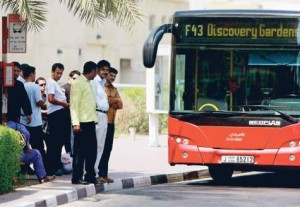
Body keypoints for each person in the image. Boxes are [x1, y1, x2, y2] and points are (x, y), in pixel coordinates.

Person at [70, 61, 98, 184]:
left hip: (90, 122)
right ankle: (76, 177)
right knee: (79, 153)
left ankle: (90, 176)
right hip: (81, 123)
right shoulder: (78, 83)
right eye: (95, 72)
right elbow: (74, 105)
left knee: (92, 151)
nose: (96, 74)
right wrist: (76, 123)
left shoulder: (89, 83)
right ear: (92, 71)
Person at [7, 62, 33, 175]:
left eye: (18, 71)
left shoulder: (19, 85)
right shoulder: (3, 84)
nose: (16, 73)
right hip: (4, 119)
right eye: (14, 70)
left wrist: (28, 113)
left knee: (24, 136)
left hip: (15, 118)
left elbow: (24, 100)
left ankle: (23, 165)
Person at [98, 67, 123, 183]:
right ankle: (97, 173)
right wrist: (114, 100)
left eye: (114, 76)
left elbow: (121, 104)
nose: (112, 78)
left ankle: (104, 174)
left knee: (108, 148)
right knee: (100, 148)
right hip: (103, 120)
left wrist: (114, 101)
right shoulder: (101, 87)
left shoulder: (114, 89)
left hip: (111, 122)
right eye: (111, 75)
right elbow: (106, 103)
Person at [46, 63, 71, 176]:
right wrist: (64, 104)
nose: (59, 75)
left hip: (60, 114)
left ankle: (56, 166)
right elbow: (51, 99)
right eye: (57, 73)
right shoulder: (51, 82)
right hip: (56, 114)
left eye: (61, 73)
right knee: (55, 144)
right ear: (52, 72)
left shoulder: (55, 83)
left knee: (59, 143)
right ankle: (52, 168)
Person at [20, 65, 46, 165]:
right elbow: (39, 102)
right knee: (39, 148)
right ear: (31, 74)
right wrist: (44, 103)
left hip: (23, 122)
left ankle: (25, 170)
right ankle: (43, 170)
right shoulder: (35, 86)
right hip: (35, 122)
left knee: (24, 147)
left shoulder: (21, 85)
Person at [92, 60, 110, 180]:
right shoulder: (94, 82)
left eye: (107, 70)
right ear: (98, 69)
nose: (105, 72)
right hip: (97, 114)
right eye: (103, 69)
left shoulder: (103, 83)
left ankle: (96, 172)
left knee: (101, 146)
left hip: (104, 115)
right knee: (95, 145)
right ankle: (91, 171)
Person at [62, 70, 81, 156]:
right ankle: (71, 157)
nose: (76, 81)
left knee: (76, 140)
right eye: (74, 78)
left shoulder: (78, 88)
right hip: (67, 118)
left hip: (76, 118)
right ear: (69, 78)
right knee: (69, 139)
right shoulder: (65, 88)